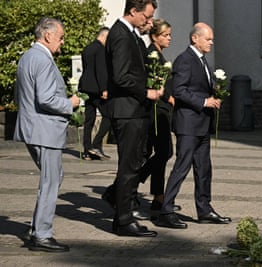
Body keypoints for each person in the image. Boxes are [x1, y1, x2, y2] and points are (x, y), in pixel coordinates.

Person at [14, 17, 81, 252]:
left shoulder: (27, 57)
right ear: (48, 35)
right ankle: (42, 234)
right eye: (60, 37)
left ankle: (37, 230)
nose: (62, 42)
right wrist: (71, 103)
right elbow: (45, 98)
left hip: (34, 128)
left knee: (53, 178)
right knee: (50, 181)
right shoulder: (41, 59)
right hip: (44, 130)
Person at [156, 22, 231, 229]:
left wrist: (214, 96)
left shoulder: (202, 60)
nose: (211, 42)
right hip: (188, 124)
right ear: (194, 38)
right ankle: (166, 210)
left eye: (212, 39)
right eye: (208, 39)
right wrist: (203, 102)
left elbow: (197, 87)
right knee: (182, 167)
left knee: (204, 168)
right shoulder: (185, 60)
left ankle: (204, 209)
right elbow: (179, 91)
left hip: (202, 124)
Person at [103, 0, 162, 237]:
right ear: (133, 11)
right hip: (126, 111)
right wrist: (145, 91)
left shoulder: (133, 35)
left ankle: (122, 210)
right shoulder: (119, 34)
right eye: (146, 16)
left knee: (135, 164)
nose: (149, 21)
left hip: (135, 110)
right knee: (129, 167)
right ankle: (124, 219)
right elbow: (120, 76)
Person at [137, 19, 181, 212]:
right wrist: (169, 97)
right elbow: (151, 83)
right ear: (154, 36)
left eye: (170, 34)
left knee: (161, 154)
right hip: (156, 110)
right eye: (165, 35)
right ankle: (133, 181)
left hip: (163, 110)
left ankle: (158, 196)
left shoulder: (158, 54)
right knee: (164, 152)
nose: (169, 38)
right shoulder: (151, 55)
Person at [78, 27, 112, 160]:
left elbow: (87, 68)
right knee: (109, 115)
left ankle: (87, 151)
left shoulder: (88, 48)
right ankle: (96, 145)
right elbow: (101, 70)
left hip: (86, 88)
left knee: (89, 119)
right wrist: (104, 88)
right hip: (97, 88)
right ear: (104, 36)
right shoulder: (101, 50)